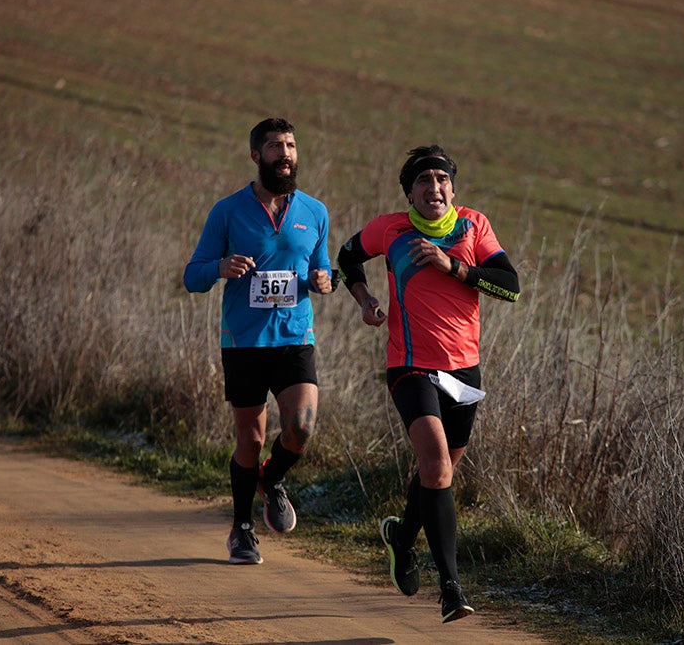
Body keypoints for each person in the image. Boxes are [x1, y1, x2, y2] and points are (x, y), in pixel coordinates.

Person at [336, 145, 520, 622]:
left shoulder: (474, 226)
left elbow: (510, 285)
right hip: (410, 366)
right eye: (423, 181)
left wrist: (453, 267)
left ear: (453, 189)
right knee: (436, 467)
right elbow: (346, 256)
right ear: (410, 193)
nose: (433, 188)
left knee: (437, 475)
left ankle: (401, 536)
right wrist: (364, 298)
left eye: (441, 179)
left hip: (464, 371)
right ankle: (451, 589)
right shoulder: (390, 229)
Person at [183, 117, 333, 565]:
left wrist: (324, 280)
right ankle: (242, 528)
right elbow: (192, 276)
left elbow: (321, 269)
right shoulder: (226, 211)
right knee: (249, 441)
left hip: (294, 338)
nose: (284, 154)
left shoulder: (315, 212)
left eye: (290, 145)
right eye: (274, 146)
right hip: (244, 342)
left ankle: (273, 478)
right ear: (256, 156)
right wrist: (220, 268)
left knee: (301, 428)